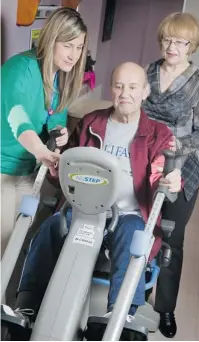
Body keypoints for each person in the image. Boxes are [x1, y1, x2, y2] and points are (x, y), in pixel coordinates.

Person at [10, 62, 182, 333]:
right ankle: (27, 304)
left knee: (133, 234)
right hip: (82, 211)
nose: (125, 93)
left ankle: (121, 315)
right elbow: (67, 173)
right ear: (111, 89)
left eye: (133, 87)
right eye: (118, 86)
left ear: (145, 92)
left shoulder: (158, 134)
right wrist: (57, 164)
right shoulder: (92, 122)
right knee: (51, 227)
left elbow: (162, 172)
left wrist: (170, 180)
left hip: (127, 215)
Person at [1, 8, 88, 257]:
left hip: (27, 171)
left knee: (19, 246)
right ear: (51, 39)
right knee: (4, 248)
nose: (73, 55)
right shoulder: (20, 69)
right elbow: (18, 120)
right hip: (3, 170)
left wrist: (58, 133)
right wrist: (42, 151)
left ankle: (12, 297)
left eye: (79, 47)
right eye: (68, 45)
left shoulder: (60, 76)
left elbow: (55, 116)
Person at [142, 12, 199, 338]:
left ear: (191, 46)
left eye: (181, 42)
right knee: (139, 225)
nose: (173, 47)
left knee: (171, 238)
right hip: (144, 163)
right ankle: (137, 289)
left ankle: (165, 308)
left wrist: (171, 143)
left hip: (183, 167)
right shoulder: (147, 73)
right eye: (168, 39)